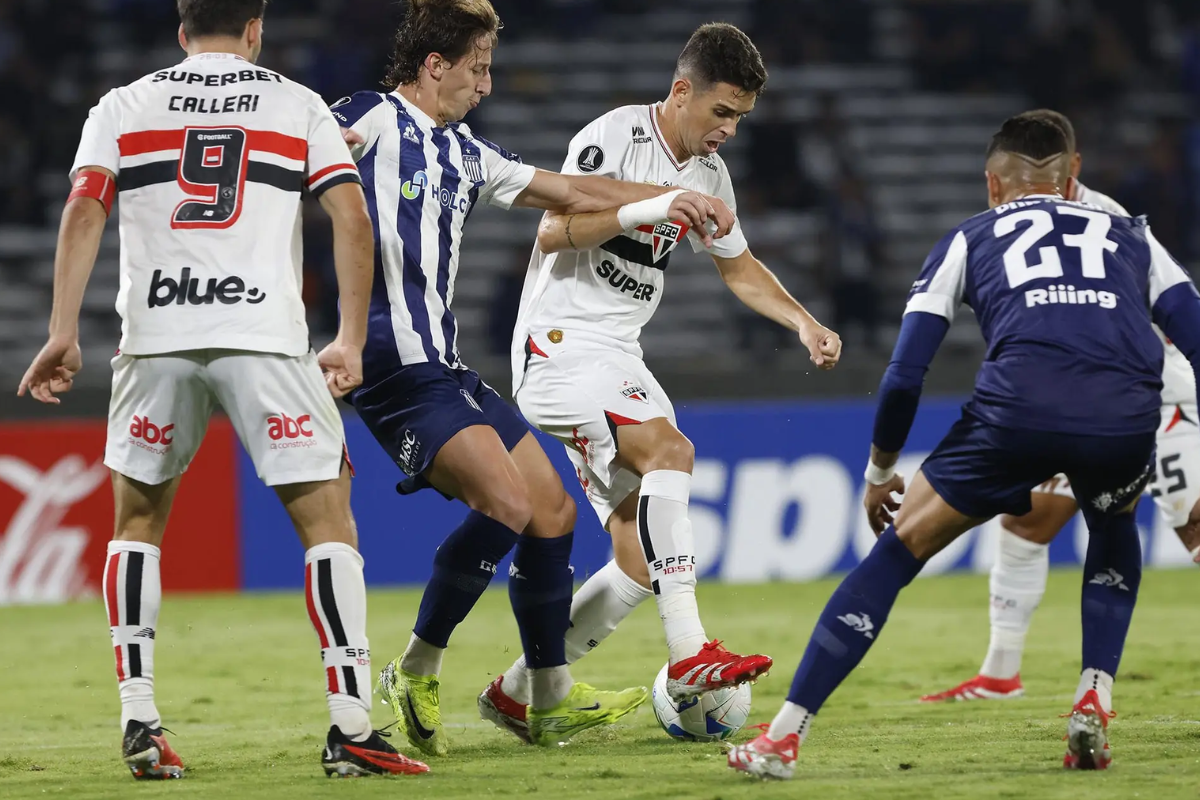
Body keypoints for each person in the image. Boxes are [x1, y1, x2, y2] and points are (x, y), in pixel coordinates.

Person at [17, 0, 428, 780]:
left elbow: (82, 209)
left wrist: (63, 330)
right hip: (262, 337)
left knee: (135, 523)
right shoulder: (296, 103)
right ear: (255, 29)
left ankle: (140, 717)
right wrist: (345, 334)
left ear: (181, 31)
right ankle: (350, 726)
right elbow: (351, 217)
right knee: (328, 516)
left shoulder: (123, 105)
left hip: (156, 335)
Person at [726, 113, 1200, 779]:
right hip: (1121, 416)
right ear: (1073, 180)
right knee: (1113, 523)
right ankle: (1094, 691)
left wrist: (880, 470)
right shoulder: (1132, 236)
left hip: (1017, 412)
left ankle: (783, 737)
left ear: (992, 184)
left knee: (900, 549)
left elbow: (905, 373)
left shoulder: (971, 237)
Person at [329, 0, 735, 753]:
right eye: (477, 68)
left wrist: (667, 200)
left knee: (553, 513)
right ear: (435, 66)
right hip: (386, 364)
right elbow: (296, 159)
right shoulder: (371, 119)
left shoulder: (468, 155)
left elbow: (573, 192)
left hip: (443, 366)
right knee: (510, 502)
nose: (486, 84)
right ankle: (416, 667)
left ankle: (545, 696)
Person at [478, 22, 841, 742]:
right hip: (560, 345)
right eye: (721, 113)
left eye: (739, 118)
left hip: (616, 355)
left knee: (639, 561)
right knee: (671, 452)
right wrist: (651, 206)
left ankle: (519, 692)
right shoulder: (614, 135)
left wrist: (802, 322)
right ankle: (689, 655)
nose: (729, 131)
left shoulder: (711, 174)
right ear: (682, 93)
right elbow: (552, 230)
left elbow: (738, 267)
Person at [920, 109, 1200, 704]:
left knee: (1196, 525)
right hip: (1087, 396)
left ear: (1073, 169)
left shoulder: (1108, 219)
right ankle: (1000, 672)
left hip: (1156, 394)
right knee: (1028, 519)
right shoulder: (1021, 218)